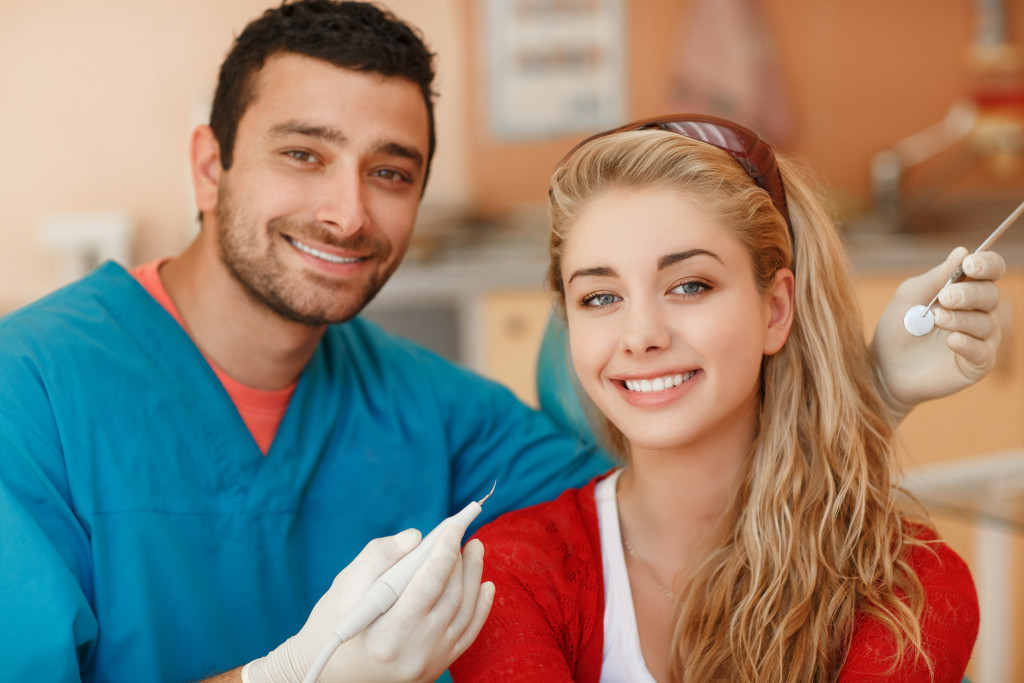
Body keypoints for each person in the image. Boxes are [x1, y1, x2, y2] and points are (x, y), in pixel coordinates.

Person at [0, 1, 1002, 681]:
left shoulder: (434, 413)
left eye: (391, 171)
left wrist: (864, 384)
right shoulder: (30, 394)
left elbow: (679, 467)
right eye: (304, 154)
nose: (347, 210)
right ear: (210, 165)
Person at [449, 115, 983, 683]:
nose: (640, 335)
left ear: (775, 310)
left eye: (689, 286)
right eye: (601, 297)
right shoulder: (508, 573)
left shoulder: (909, 584)